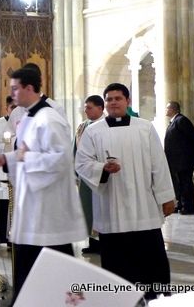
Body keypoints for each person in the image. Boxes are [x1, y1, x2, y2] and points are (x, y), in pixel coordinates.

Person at [0, 67, 87, 302]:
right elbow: (27, 152)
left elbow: (60, 159)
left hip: (47, 211)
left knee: (50, 266)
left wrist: (22, 158)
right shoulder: (29, 117)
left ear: (29, 88)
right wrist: (8, 159)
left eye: (15, 88)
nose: (12, 94)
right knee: (28, 264)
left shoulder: (49, 118)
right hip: (32, 207)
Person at [74, 83, 175, 301]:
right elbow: (81, 163)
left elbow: (159, 164)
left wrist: (166, 197)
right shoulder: (93, 131)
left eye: (118, 98)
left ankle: (155, 296)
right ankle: (121, 298)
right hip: (112, 205)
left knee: (151, 256)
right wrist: (102, 169)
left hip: (144, 206)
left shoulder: (145, 128)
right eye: (109, 99)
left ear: (127, 101)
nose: (113, 103)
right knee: (116, 260)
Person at [74, 95, 105, 254]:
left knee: (101, 209)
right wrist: (75, 173)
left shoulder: (106, 126)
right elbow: (76, 151)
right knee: (88, 209)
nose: (86, 111)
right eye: (85, 107)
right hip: (85, 176)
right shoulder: (82, 126)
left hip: (101, 175)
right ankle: (92, 241)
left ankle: (103, 242)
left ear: (100, 108)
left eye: (89, 107)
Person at [164, 101, 194, 215]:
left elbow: (192, 138)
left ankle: (188, 207)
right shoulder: (173, 122)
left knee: (185, 184)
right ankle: (180, 204)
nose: (165, 110)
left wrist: (189, 156)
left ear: (173, 109)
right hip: (177, 161)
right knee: (179, 184)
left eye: (167, 108)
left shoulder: (181, 120)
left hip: (184, 161)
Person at [0, 95, 17, 244]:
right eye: (12, 107)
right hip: (1, 170)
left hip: (16, 171)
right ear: (6, 108)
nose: (15, 111)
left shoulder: (22, 123)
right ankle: (2, 236)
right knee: (3, 204)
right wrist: (4, 147)